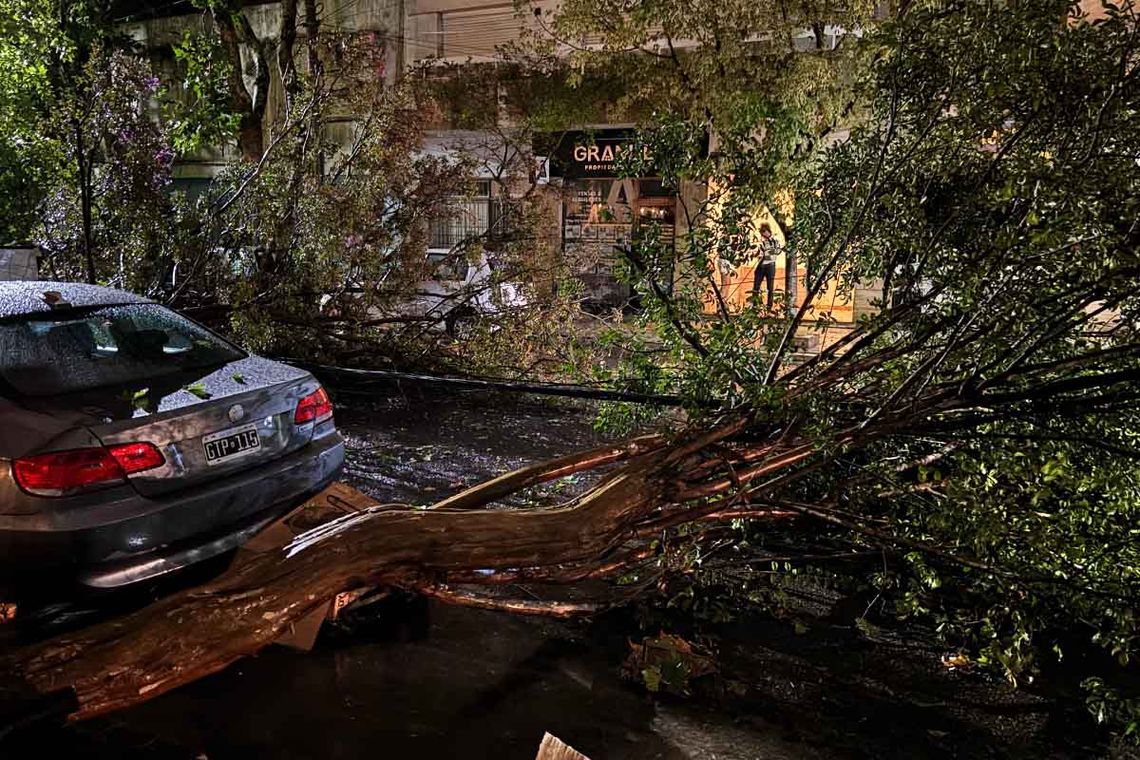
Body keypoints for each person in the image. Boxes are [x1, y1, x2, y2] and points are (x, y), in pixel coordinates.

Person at [751, 223, 781, 310]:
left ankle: (769, 306)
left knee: (770, 287)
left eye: (764, 232)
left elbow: (777, 252)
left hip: (770, 266)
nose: (763, 234)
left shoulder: (776, 241)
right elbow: (760, 253)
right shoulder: (762, 242)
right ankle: (755, 305)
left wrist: (768, 252)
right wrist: (761, 254)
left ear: (768, 231)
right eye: (762, 233)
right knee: (756, 286)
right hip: (761, 266)